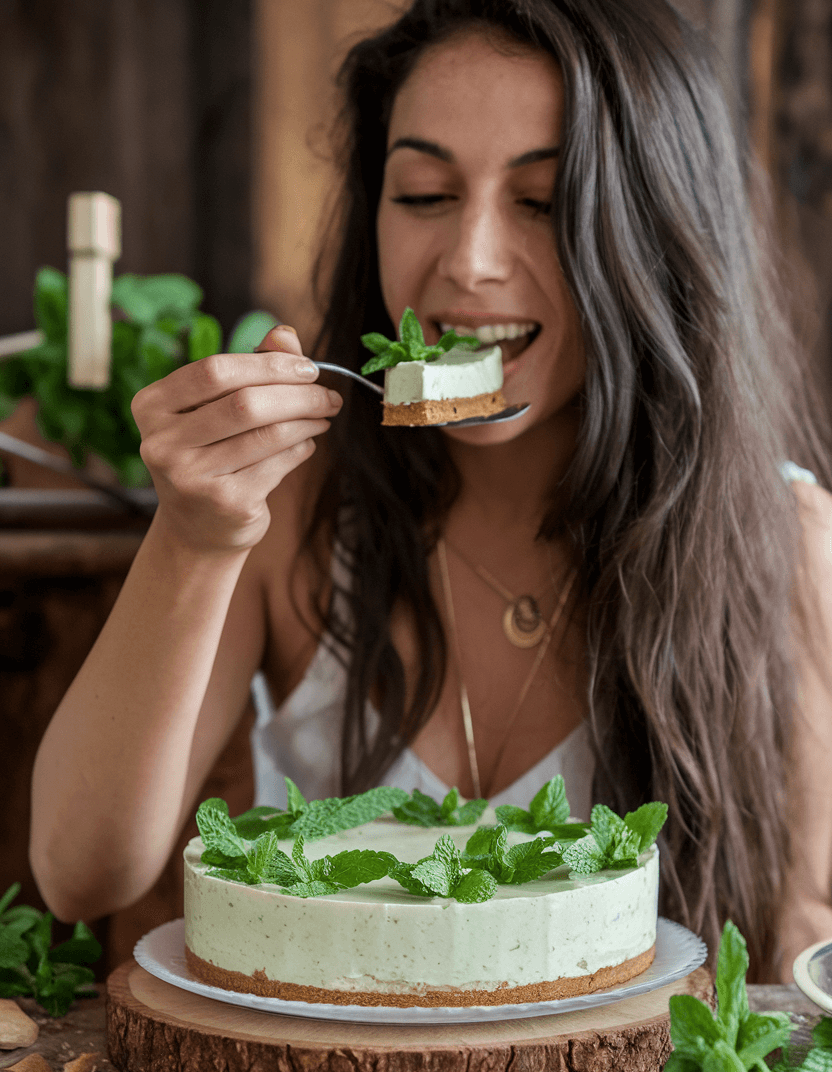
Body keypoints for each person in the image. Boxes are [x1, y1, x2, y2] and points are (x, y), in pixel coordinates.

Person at [29, 0, 832, 982]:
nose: (469, 262)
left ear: (658, 235)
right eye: (422, 194)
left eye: (541, 202)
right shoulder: (288, 512)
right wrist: (191, 539)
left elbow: (803, 956)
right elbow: (77, 873)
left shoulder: (785, 547)